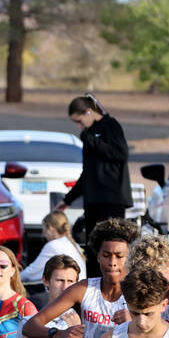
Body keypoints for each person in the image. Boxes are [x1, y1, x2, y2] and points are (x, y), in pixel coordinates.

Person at [62, 94, 132, 278]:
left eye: (79, 120)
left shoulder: (110, 126)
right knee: (94, 249)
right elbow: (87, 173)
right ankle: (94, 287)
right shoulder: (88, 134)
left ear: (88, 111)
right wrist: (67, 200)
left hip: (112, 199)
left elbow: (121, 153)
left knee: (113, 247)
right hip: (93, 201)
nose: (79, 126)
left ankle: (117, 286)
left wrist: (91, 139)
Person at [20, 211, 85, 286]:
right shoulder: (74, 245)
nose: (44, 235)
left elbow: (31, 274)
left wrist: (14, 276)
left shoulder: (53, 245)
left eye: (44, 230)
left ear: (50, 228)